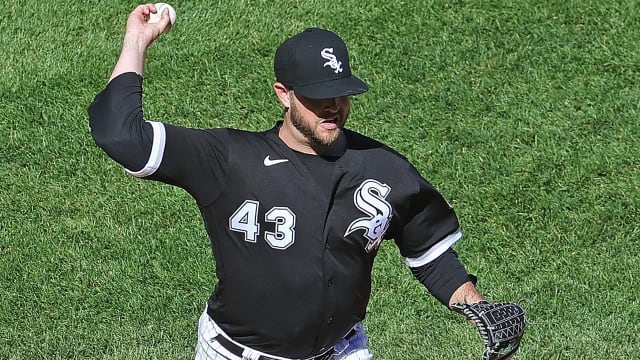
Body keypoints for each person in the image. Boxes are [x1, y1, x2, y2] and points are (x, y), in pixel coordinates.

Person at [88, 4, 524, 360]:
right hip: (236, 354)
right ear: (284, 94)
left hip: (341, 351)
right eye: (318, 96)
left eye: (341, 93)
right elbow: (120, 135)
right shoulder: (228, 159)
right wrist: (137, 42)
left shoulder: (383, 168)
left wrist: (476, 307)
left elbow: (428, 251)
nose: (333, 107)